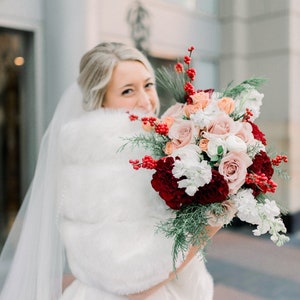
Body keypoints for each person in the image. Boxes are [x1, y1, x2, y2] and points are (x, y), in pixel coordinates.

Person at [0, 42, 233, 299]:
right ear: (101, 100)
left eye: (147, 85)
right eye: (127, 91)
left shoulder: (158, 147)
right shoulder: (99, 166)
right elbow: (129, 282)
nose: (145, 101)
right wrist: (206, 229)